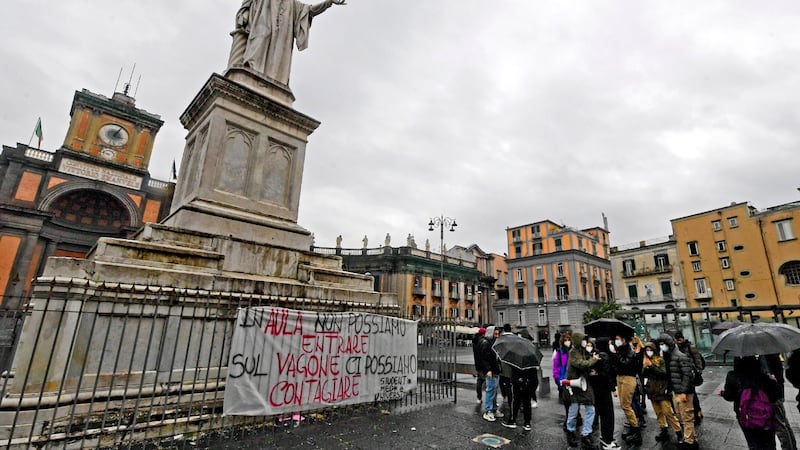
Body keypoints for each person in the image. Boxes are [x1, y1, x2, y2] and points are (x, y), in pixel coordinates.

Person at [228, 0, 346, 85]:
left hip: (281, 38)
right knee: (259, 39)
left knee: (279, 53)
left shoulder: (292, 4)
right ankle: (251, 72)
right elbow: (248, 3)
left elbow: (309, 11)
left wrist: (328, 2)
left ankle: (271, 81)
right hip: (260, 23)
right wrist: (243, 14)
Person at [721, 356, 780, 450]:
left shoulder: (732, 376)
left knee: (753, 443)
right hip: (766, 417)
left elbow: (729, 396)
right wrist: (774, 382)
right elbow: (774, 397)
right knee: (769, 444)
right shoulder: (764, 376)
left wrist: (723, 393)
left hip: (745, 416)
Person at [658, 333, 698, 450]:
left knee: (687, 417)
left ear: (669, 344)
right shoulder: (669, 357)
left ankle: (689, 442)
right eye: (660, 344)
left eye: (662, 344)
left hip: (684, 392)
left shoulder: (680, 356)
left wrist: (684, 392)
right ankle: (691, 438)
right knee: (681, 416)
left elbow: (687, 375)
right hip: (676, 391)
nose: (661, 347)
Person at [563, 332, 601, 450]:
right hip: (575, 386)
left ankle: (586, 434)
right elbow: (580, 364)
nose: (585, 342)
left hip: (584, 384)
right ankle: (571, 432)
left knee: (591, 409)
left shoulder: (583, 352)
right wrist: (593, 360)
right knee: (573, 411)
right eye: (583, 340)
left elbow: (585, 366)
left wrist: (590, 371)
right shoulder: (573, 353)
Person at [641, 341, 681, 444]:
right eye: (647, 350)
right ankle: (663, 430)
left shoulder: (660, 360)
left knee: (668, 412)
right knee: (658, 412)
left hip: (662, 389)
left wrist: (652, 366)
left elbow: (663, 373)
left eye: (650, 350)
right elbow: (643, 374)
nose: (648, 352)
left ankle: (679, 432)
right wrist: (646, 367)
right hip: (652, 390)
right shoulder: (645, 361)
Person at [609, 333, 643, 446]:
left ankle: (636, 431)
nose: (616, 341)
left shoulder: (629, 351)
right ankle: (633, 428)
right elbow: (616, 366)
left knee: (627, 405)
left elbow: (624, 363)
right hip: (620, 377)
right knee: (624, 405)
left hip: (628, 378)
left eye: (617, 339)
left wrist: (614, 354)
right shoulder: (620, 350)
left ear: (623, 339)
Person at [587, 337, 620, 450]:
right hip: (604, 390)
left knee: (602, 414)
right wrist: (613, 388)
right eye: (609, 343)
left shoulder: (594, 354)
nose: (611, 345)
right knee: (608, 415)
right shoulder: (604, 356)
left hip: (596, 389)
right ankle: (608, 441)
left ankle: (604, 437)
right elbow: (606, 375)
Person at [759, 354, 797, 450]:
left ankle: (788, 448)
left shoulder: (767, 356)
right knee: (784, 424)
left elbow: (768, 375)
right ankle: (792, 447)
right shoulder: (774, 354)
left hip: (772, 395)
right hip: (776, 393)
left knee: (780, 427)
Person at [674, 331, 705, 426]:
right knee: (690, 395)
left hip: (691, 374)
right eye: (677, 340)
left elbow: (697, 359)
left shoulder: (690, 347)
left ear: (683, 338)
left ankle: (697, 413)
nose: (679, 341)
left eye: (680, 339)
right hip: (682, 374)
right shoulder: (676, 348)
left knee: (693, 395)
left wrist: (698, 371)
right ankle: (695, 413)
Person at [502, 364, 538, 431]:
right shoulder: (532, 365)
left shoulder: (515, 364)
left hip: (518, 386)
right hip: (528, 386)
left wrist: (518, 380)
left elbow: (513, 377)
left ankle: (512, 421)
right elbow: (535, 380)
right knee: (527, 403)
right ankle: (527, 423)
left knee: (516, 402)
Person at [477, 326, 502, 421]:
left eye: (497, 334)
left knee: (494, 390)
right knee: (490, 390)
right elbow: (484, 358)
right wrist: (488, 370)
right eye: (495, 334)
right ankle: (488, 411)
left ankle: (494, 409)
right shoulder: (485, 343)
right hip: (491, 370)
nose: (497, 335)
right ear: (490, 333)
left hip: (495, 370)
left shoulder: (492, 342)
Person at [553, 331, 573, 431]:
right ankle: (568, 419)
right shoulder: (559, 352)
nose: (567, 342)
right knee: (567, 401)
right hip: (563, 380)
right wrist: (557, 378)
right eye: (565, 340)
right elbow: (555, 366)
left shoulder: (574, 351)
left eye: (569, 340)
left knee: (574, 400)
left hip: (573, 380)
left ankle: (575, 417)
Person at [498, 324, 515, 420]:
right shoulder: (515, 338)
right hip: (514, 364)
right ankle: (514, 400)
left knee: (506, 383)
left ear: (504, 329)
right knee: (514, 384)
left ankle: (506, 398)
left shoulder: (501, 339)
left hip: (504, 365)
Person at [472, 328, 488, 404]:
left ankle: (479, 397)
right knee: (488, 382)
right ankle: (490, 400)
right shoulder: (483, 341)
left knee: (479, 381)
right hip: (483, 363)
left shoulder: (475, 340)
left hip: (477, 363)